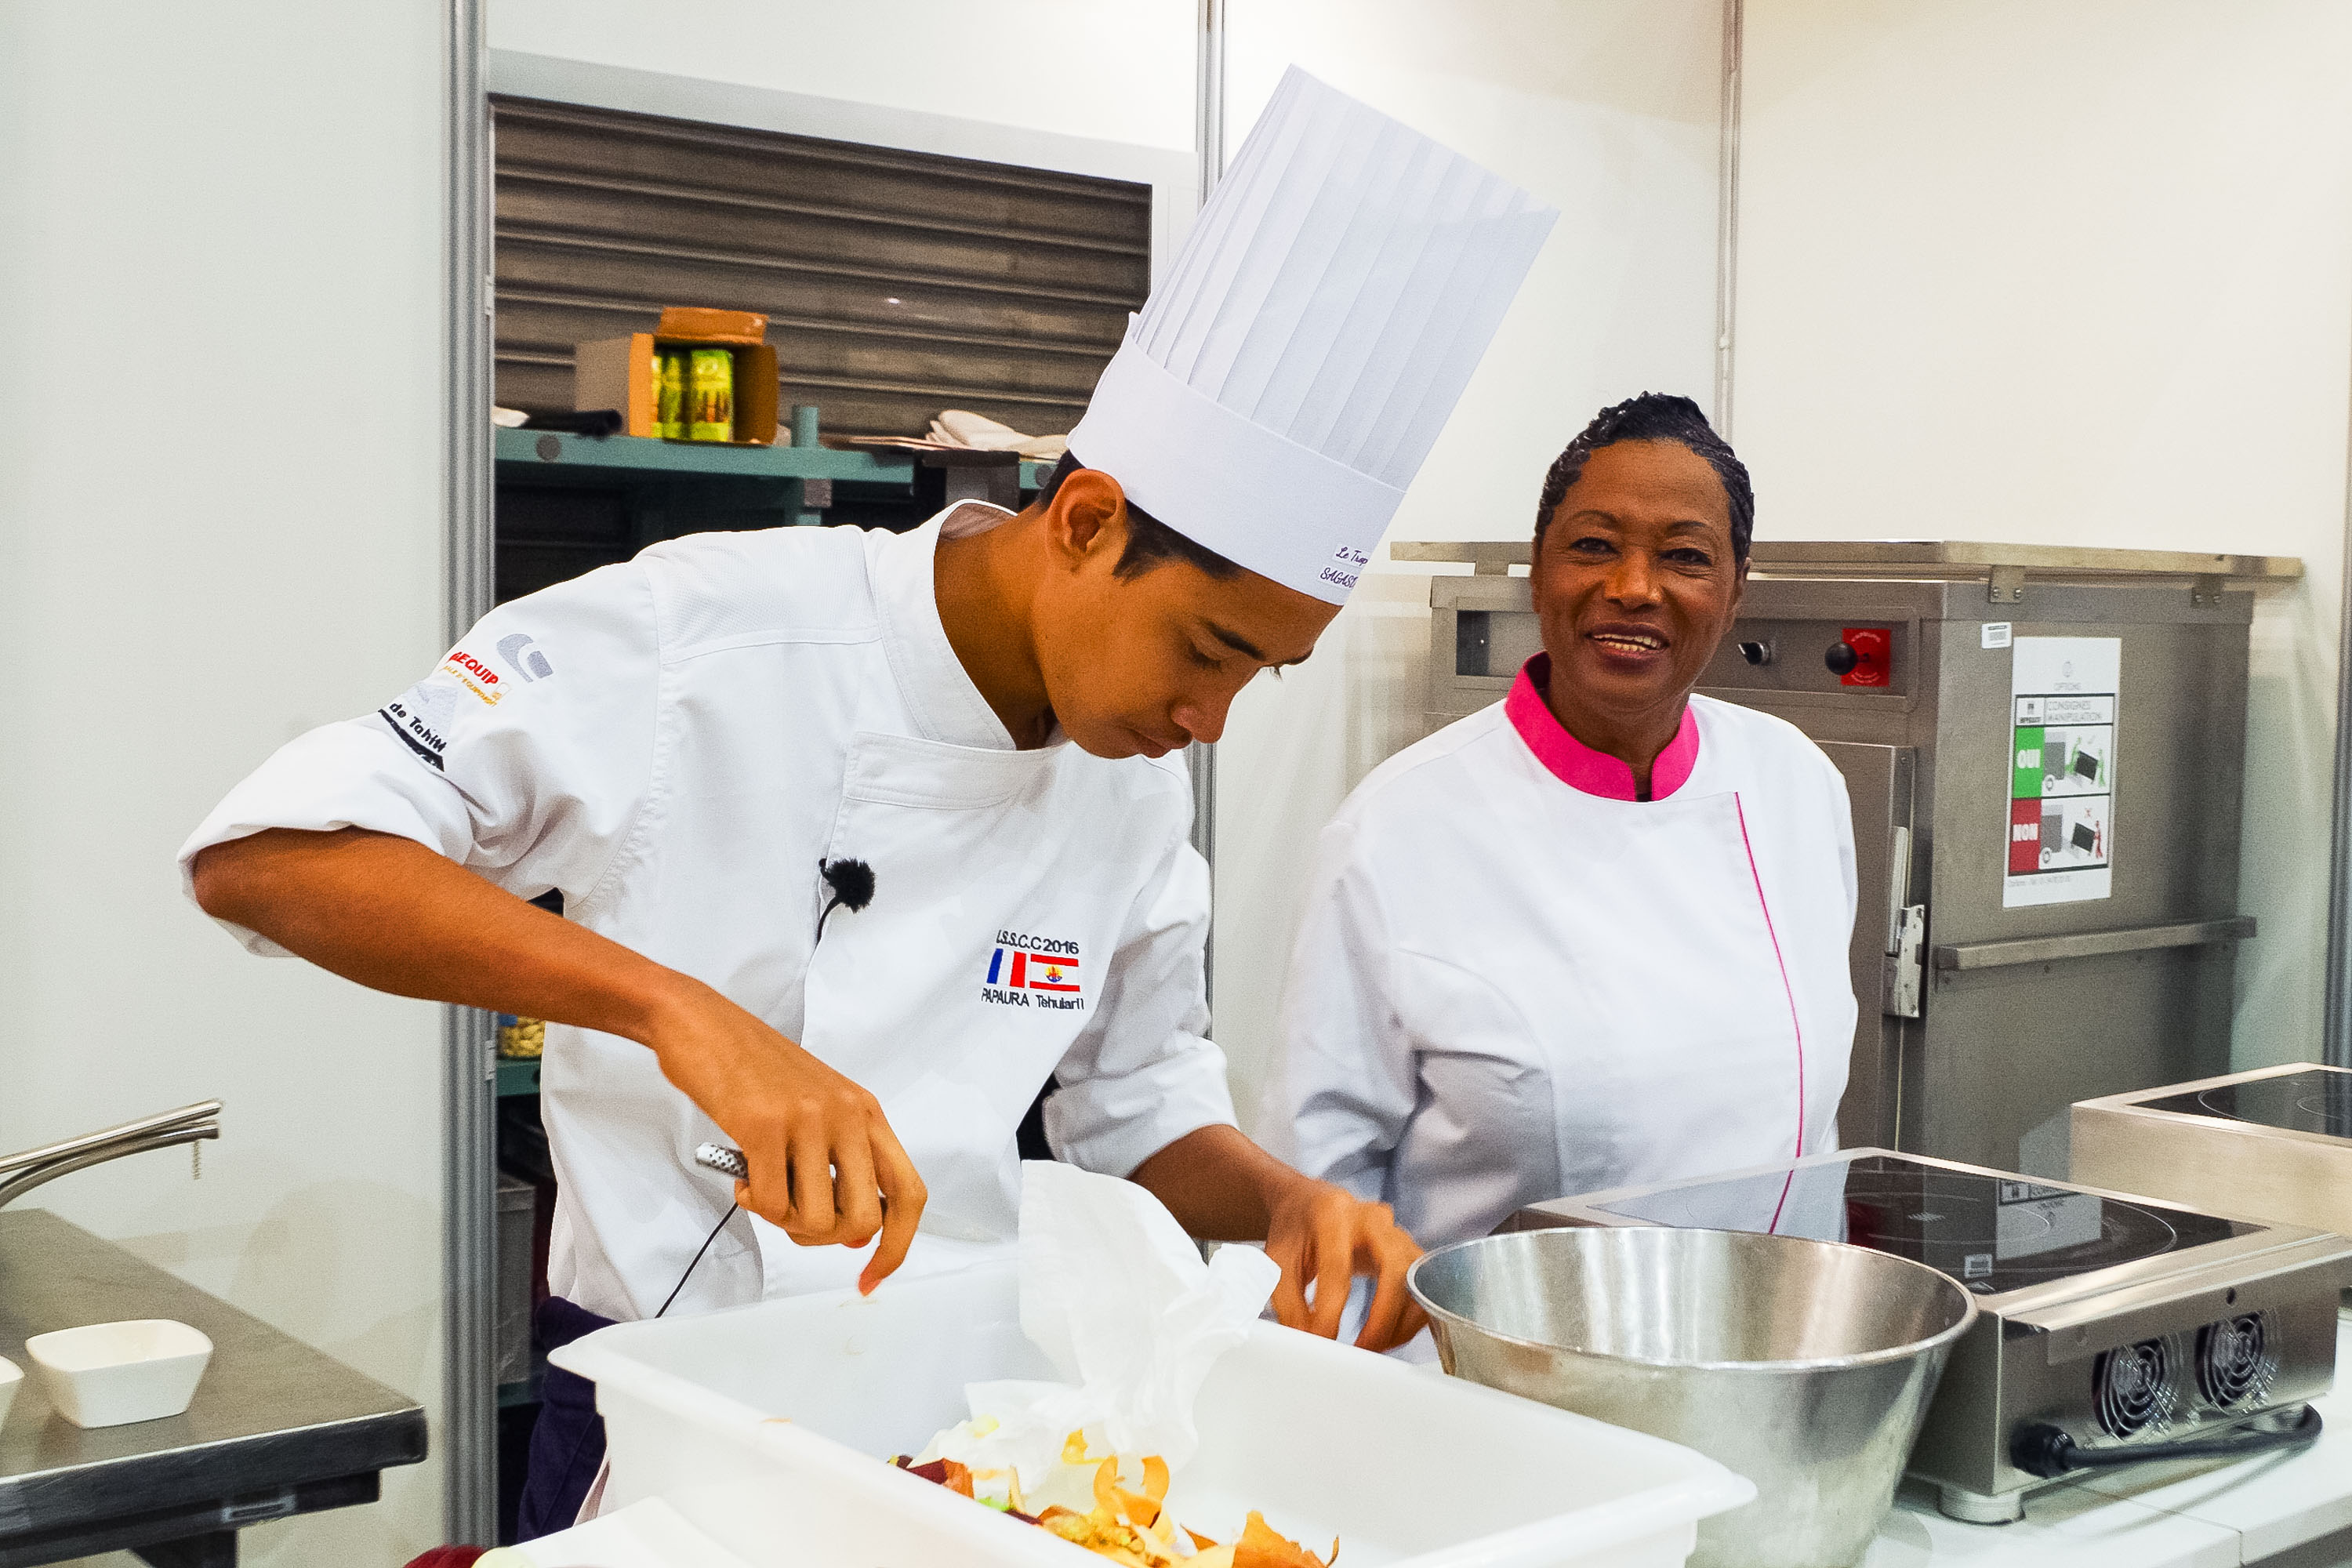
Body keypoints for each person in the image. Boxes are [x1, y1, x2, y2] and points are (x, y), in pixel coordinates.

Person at [180, 67, 1555, 1536]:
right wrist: (679, 1014)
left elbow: (1139, 1105)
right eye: (1209, 652)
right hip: (670, 1406)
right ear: (1087, 524)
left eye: (1259, 680)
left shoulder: (1133, 777)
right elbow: (268, 857)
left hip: (967, 1415)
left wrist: (1283, 1202)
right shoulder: (709, 636)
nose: (1206, 723)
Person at [1264, 394, 1858, 1280]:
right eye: (1592, 544)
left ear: (1734, 595)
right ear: (1535, 575)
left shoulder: (1795, 785)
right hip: (1493, 1387)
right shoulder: (1394, 830)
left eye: (1685, 557)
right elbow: (1317, 1194)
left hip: (1770, 1366)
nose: (1633, 586)